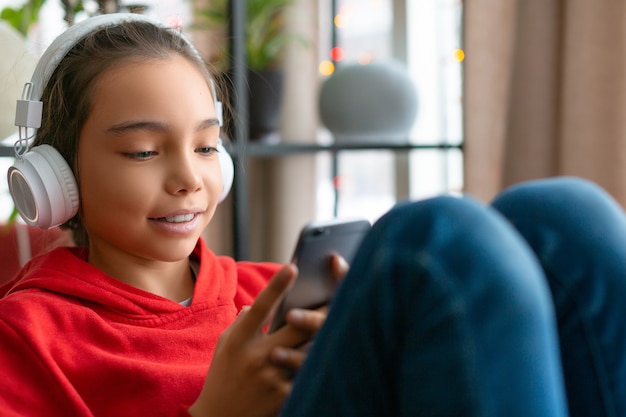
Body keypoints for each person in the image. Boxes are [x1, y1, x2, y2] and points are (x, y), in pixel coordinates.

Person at [2, 12, 625, 417]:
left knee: (561, 215)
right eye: (142, 150)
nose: (189, 178)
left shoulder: (276, 291)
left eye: (205, 145)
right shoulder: (29, 335)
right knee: (432, 243)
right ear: (56, 177)